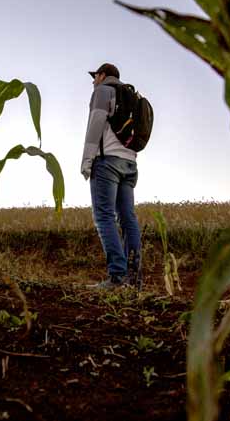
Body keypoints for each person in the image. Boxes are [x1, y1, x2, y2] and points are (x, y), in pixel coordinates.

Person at [81, 63, 142, 290]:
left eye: (95, 76)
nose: (93, 80)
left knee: (104, 217)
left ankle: (117, 278)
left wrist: (87, 160)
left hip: (107, 163)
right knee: (128, 219)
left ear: (103, 75)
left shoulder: (103, 91)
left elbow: (95, 124)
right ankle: (134, 281)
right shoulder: (131, 94)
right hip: (130, 162)